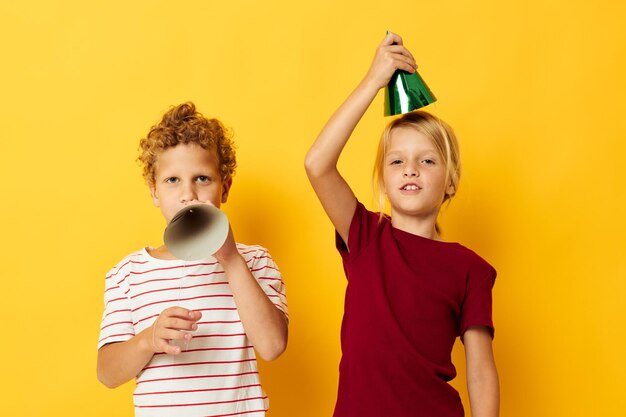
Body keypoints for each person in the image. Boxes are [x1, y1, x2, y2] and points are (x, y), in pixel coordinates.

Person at [304, 32, 499, 417]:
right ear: (383, 179)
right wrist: (374, 79)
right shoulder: (364, 234)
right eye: (397, 161)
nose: (410, 168)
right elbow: (317, 164)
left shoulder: (470, 269)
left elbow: (480, 367)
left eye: (427, 161)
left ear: (451, 181)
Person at [97, 102, 288, 417]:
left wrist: (230, 258)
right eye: (172, 180)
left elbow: (272, 347)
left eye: (202, 178)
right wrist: (149, 340)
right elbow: (107, 373)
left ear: (224, 188)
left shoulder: (253, 261)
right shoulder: (127, 274)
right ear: (154, 192)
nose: (188, 193)